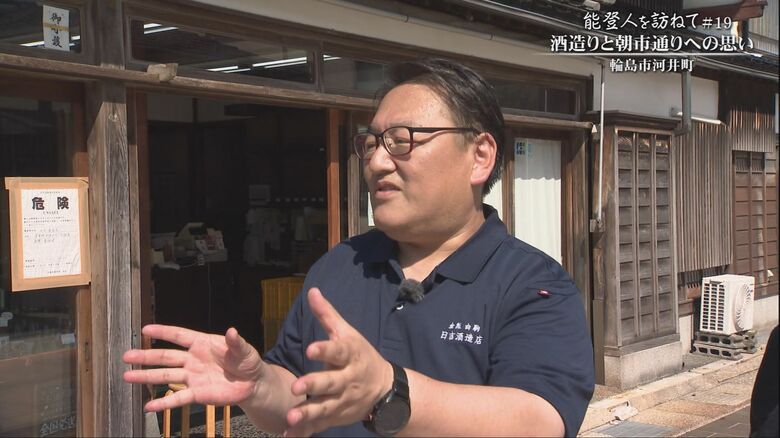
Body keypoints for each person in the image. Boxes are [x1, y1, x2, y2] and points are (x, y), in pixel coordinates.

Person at [124, 58, 595, 437]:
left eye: (401, 141)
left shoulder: (533, 285)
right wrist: (258, 385)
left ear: (480, 156)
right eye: (371, 144)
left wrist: (390, 391)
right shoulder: (341, 265)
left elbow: (540, 420)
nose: (377, 162)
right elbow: (296, 397)